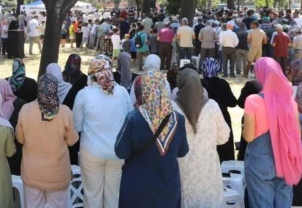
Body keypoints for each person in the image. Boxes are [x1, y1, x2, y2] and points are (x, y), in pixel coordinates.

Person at [114, 70, 188, 208]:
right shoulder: (179, 119)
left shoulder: (134, 118)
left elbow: (120, 152)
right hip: (168, 187)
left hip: (137, 188)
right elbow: (183, 151)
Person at [242, 57, 302, 207]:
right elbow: (298, 134)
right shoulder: (290, 102)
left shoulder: (253, 100)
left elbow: (249, 136)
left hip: (260, 160)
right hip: (286, 159)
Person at [73, 58, 133, 208]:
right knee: (113, 196)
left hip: (91, 152)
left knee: (92, 196)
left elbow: (77, 126)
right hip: (117, 152)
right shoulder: (123, 92)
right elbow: (129, 120)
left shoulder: (83, 95)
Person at [15, 73, 79, 207]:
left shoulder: (26, 110)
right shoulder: (65, 111)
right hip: (58, 173)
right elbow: (72, 140)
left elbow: (20, 139)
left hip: (32, 172)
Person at [172, 68, 230, 208]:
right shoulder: (212, 106)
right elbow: (224, 137)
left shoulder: (172, 109)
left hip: (182, 170)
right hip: (208, 169)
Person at [200, 57, 237, 162]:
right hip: (222, 117)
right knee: (224, 146)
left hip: (204, 117)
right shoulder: (223, 83)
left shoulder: (199, 83)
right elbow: (233, 103)